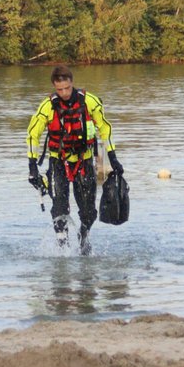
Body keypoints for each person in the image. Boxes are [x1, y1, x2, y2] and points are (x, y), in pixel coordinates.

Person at [26, 65, 122, 252]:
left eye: (67, 88)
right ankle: (62, 245)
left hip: (84, 161)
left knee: (89, 212)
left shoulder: (90, 101)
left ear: (72, 83)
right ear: (55, 87)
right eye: (59, 89)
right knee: (59, 208)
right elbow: (32, 135)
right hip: (58, 162)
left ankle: (83, 237)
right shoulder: (47, 106)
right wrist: (32, 166)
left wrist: (113, 157)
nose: (64, 93)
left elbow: (105, 129)